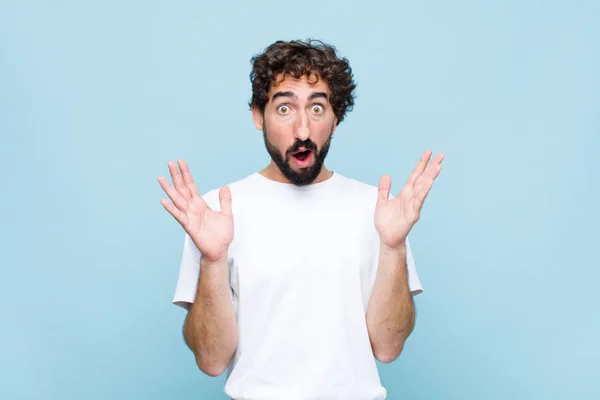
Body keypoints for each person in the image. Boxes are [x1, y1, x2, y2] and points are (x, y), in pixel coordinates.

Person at [157, 39, 444, 400]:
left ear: (336, 118)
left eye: (318, 108)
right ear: (258, 115)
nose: (303, 131)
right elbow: (212, 361)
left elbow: (388, 348)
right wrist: (213, 260)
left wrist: (393, 245)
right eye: (284, 109)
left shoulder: (380, 210)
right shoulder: (215, 212)